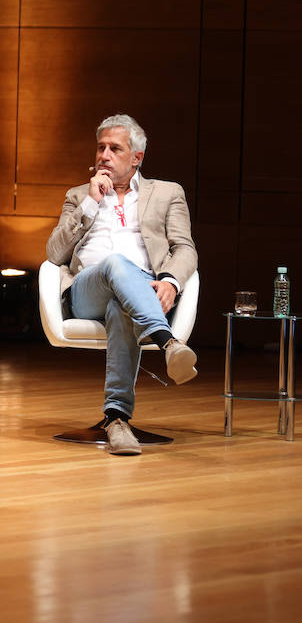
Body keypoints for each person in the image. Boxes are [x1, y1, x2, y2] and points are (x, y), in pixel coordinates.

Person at [45, 113, 199, 456]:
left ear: (137, 158)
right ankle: (166, 342)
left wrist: (171, 282)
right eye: (101, 147)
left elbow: (185, 248)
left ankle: (117, 421)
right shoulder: (77, 196)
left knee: (121, 305)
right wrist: (91, 203)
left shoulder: (167, 193)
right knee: (114, 264)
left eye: (115, 148)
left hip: (141, 291)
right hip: (87, 291)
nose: (104, 155)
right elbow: (54, 254)